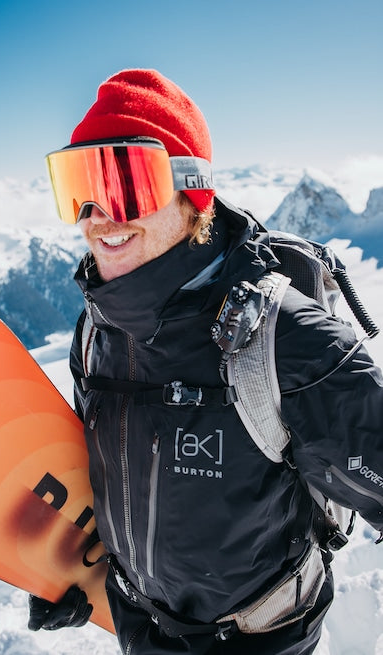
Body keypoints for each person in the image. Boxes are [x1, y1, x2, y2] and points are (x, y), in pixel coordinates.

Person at [27, 69, 383, 654]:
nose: (95, 215)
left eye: (124, 184)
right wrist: (71, 571)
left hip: (259, 638)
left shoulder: (283, 339)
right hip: (141, 627)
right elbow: (109, 475)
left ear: (191, 190)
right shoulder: (97, 330)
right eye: (78, 189)